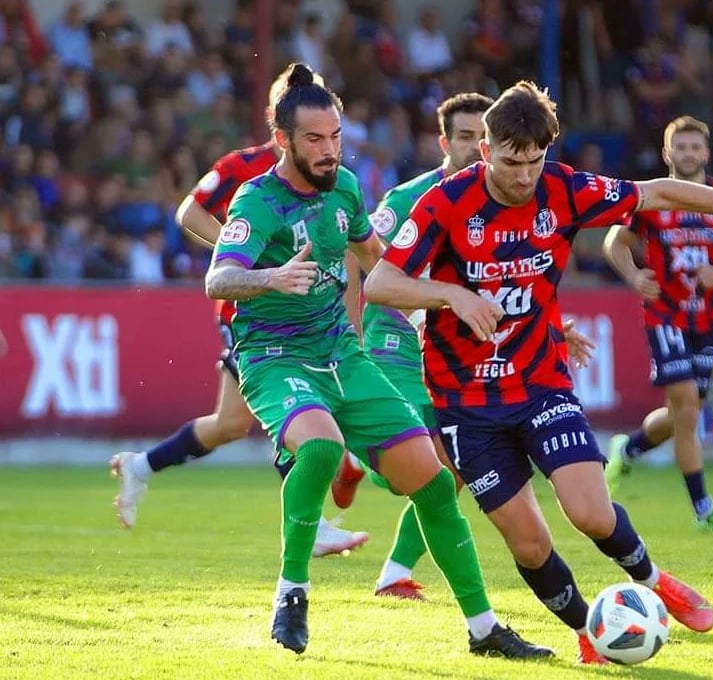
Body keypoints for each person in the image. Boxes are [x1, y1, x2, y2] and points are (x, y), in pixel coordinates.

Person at [363, 81, 713, 664]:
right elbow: (379, 284)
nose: (524, 176)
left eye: (534, 161)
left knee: (591, 513)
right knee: (529, 542)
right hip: (464, 403)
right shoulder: (444, 203)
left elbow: (657, 193)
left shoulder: (565, 189)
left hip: (539, 382)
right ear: (485, 152)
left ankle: (656, 582)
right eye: (510, 161)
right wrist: (452, 295)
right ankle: (590, 630)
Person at [205, 63, 552, 659]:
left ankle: (483, 630)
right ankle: (291, 593)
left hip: (344, 352)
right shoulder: (258, 201)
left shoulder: (344, 187)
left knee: (438, 485)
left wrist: (443, 297)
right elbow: (219, 278)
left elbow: (373, 252)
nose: (329, 149)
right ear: (283, 139)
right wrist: (271, 277)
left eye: (336, 136)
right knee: (317, 449)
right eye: (315, 139)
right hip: (274, 357)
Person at [332, 92, 597, 602]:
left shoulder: (506, 198)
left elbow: (507, 284)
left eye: (482, 132)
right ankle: (356, 463)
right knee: (423, 464)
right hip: (398, 342)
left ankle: (393, 571)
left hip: (459, 355)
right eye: (462, 135)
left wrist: (553, 329)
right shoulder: (412, 198)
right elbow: (363, 262)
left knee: (449, 468)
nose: (475, 142)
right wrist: (353, 334)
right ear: (447, 142)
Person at [108, 66, 367, 557]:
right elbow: (188, 212)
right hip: (249, 309)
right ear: (280, 123)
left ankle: (141, 466)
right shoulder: (243, 168)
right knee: (284, 404)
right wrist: (234, 254)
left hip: (310, 314)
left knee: (230, 423)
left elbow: (352, 256)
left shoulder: (332, 182)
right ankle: (311, 520)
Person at [602, 115, 713, 536]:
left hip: (706, 321)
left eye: (696, 147)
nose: (689, 153)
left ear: (706, 154)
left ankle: (629, 447)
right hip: (665, 316)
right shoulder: (653, 199)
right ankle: (704, 511)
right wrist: (635, 276)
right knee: (688, 408)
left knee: (682, 415)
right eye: (681, 146)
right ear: (667, 153)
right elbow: (613, 242)